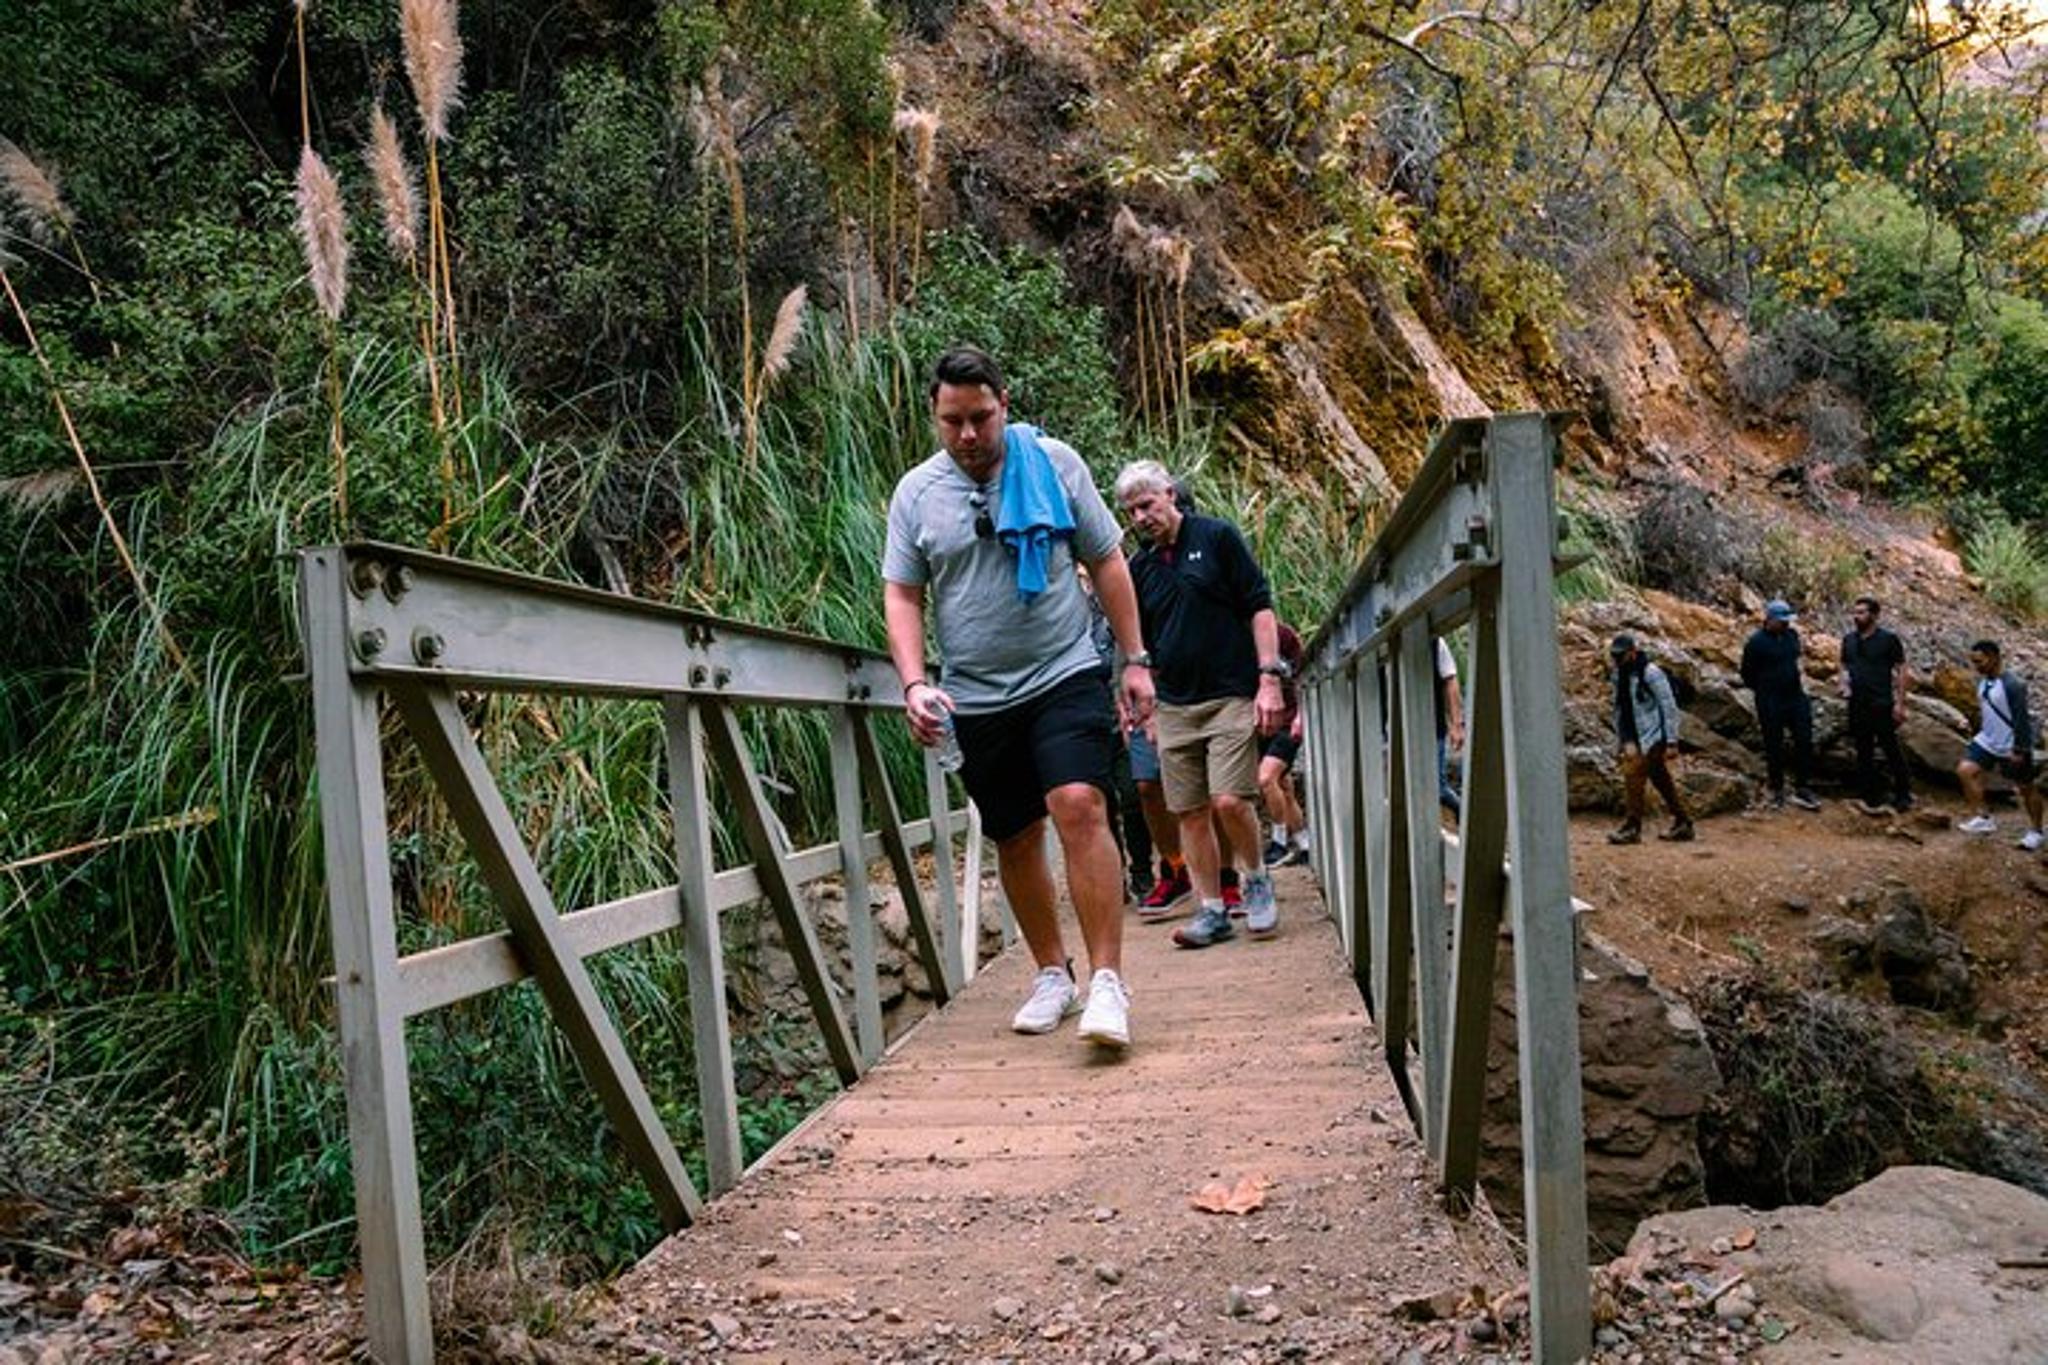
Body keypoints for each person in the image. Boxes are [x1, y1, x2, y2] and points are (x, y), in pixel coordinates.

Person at [883, 346, 1154, 1050]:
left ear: (1006, 402)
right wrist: (915, 681)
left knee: (1078, 802)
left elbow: (1107, 558)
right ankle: (1051, 973)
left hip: (1063, 668)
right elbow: (903, 593)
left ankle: (1107, 982)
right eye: (952, 422)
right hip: (974, 692)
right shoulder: (916, 493)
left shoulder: (1055, 463)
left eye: (980, 417)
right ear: (935, 417)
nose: (968, 435)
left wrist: (1135, 660)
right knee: (1015, 832)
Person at [1116, 459, 1286, 946]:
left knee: (1230, 800)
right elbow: (1136, 646)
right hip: (1173, 704)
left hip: (1230, 693)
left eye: (1147, 505)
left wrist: (1269, 677)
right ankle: (1210, 909)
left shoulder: (1217, 537)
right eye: (1131, 512)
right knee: (1188, 810)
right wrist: (1140, 704)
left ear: (1170, 494)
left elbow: (1259, 605)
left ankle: (1255, 881)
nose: (1141, 518)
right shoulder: (1140, 568)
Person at [1076, 562, 1155, 898]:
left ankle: (1142, 870)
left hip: (1124, 714)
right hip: (1085, 719)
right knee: (1101, 803)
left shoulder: (1119, 614)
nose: (1085, 584)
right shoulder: (1067, 621)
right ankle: (1114, 876)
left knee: (1134, 794)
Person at [1954, 640, 2043, 851]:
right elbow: (1985, 710)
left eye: (1980, 661)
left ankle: (2037, 830)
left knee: (2026, 788)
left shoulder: (2013, 684)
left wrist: (2020, 750)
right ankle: (1983, 818)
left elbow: (2021, 719)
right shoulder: (1984, 682)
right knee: (1965, 770)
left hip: (2012, 743)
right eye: (1974, 662)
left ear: (1994, 657)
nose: (1977, 666)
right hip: (1987, 740)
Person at [1608, 634, 1694, 844]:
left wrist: (1672, 741)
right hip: (1633, 733)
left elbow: (1668, 705)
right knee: (1659, 777)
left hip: (1654, 733)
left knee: (1633, 772)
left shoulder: (1651, 673)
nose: (1617, 660)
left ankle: (1632, 826)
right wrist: (1622, 739)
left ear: (1633, 652)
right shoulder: (1618, 675)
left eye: (1621, 655)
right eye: (1615, 656)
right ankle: (1683, 822)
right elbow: (1620, 707)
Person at [1739, 599, 1821, 811]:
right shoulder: (1756, 642)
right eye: (1782, 621)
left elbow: (1796, 660)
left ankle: (1803, 786)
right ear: (1770, 620)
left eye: (1788, 621)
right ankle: (1777, 788)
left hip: (1795, 695)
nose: (1786, 625)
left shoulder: (1792, 636)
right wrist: (1763, 688)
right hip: (1770, 699)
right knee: (1773, 744)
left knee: (1804, 740)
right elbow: (1747, 673)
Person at [1841, 595, 1912, 815]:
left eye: (1862, 612)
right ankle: (1869, 794)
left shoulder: (1888, 640)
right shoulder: (1849, 640)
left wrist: (1900, 703)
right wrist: (1843, 682)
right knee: (1863, 749)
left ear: (1874, 615)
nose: (1857, 616)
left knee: (1891, 748)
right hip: (1857, 702)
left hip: (1881, 702)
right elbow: (1843, 664)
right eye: (1855, 612)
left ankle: (1903, 794)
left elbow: (1901, 669)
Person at [1259, 621, 1310, 868]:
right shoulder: (1236, 636)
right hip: (1261, 724)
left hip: (1289, 722)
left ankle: (1279, 843)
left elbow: (1305, 675)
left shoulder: (1285, 635)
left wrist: (1302, 714)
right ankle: (1304, 844)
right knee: (1284, 786)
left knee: (1266, 779)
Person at [1436, 637, 1465, 816]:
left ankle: (1463, 811)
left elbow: (1450, 679)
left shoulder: (1436, 642)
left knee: (1437, 787)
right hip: (1392, 731)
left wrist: (1457, 724)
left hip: (1432, 727)